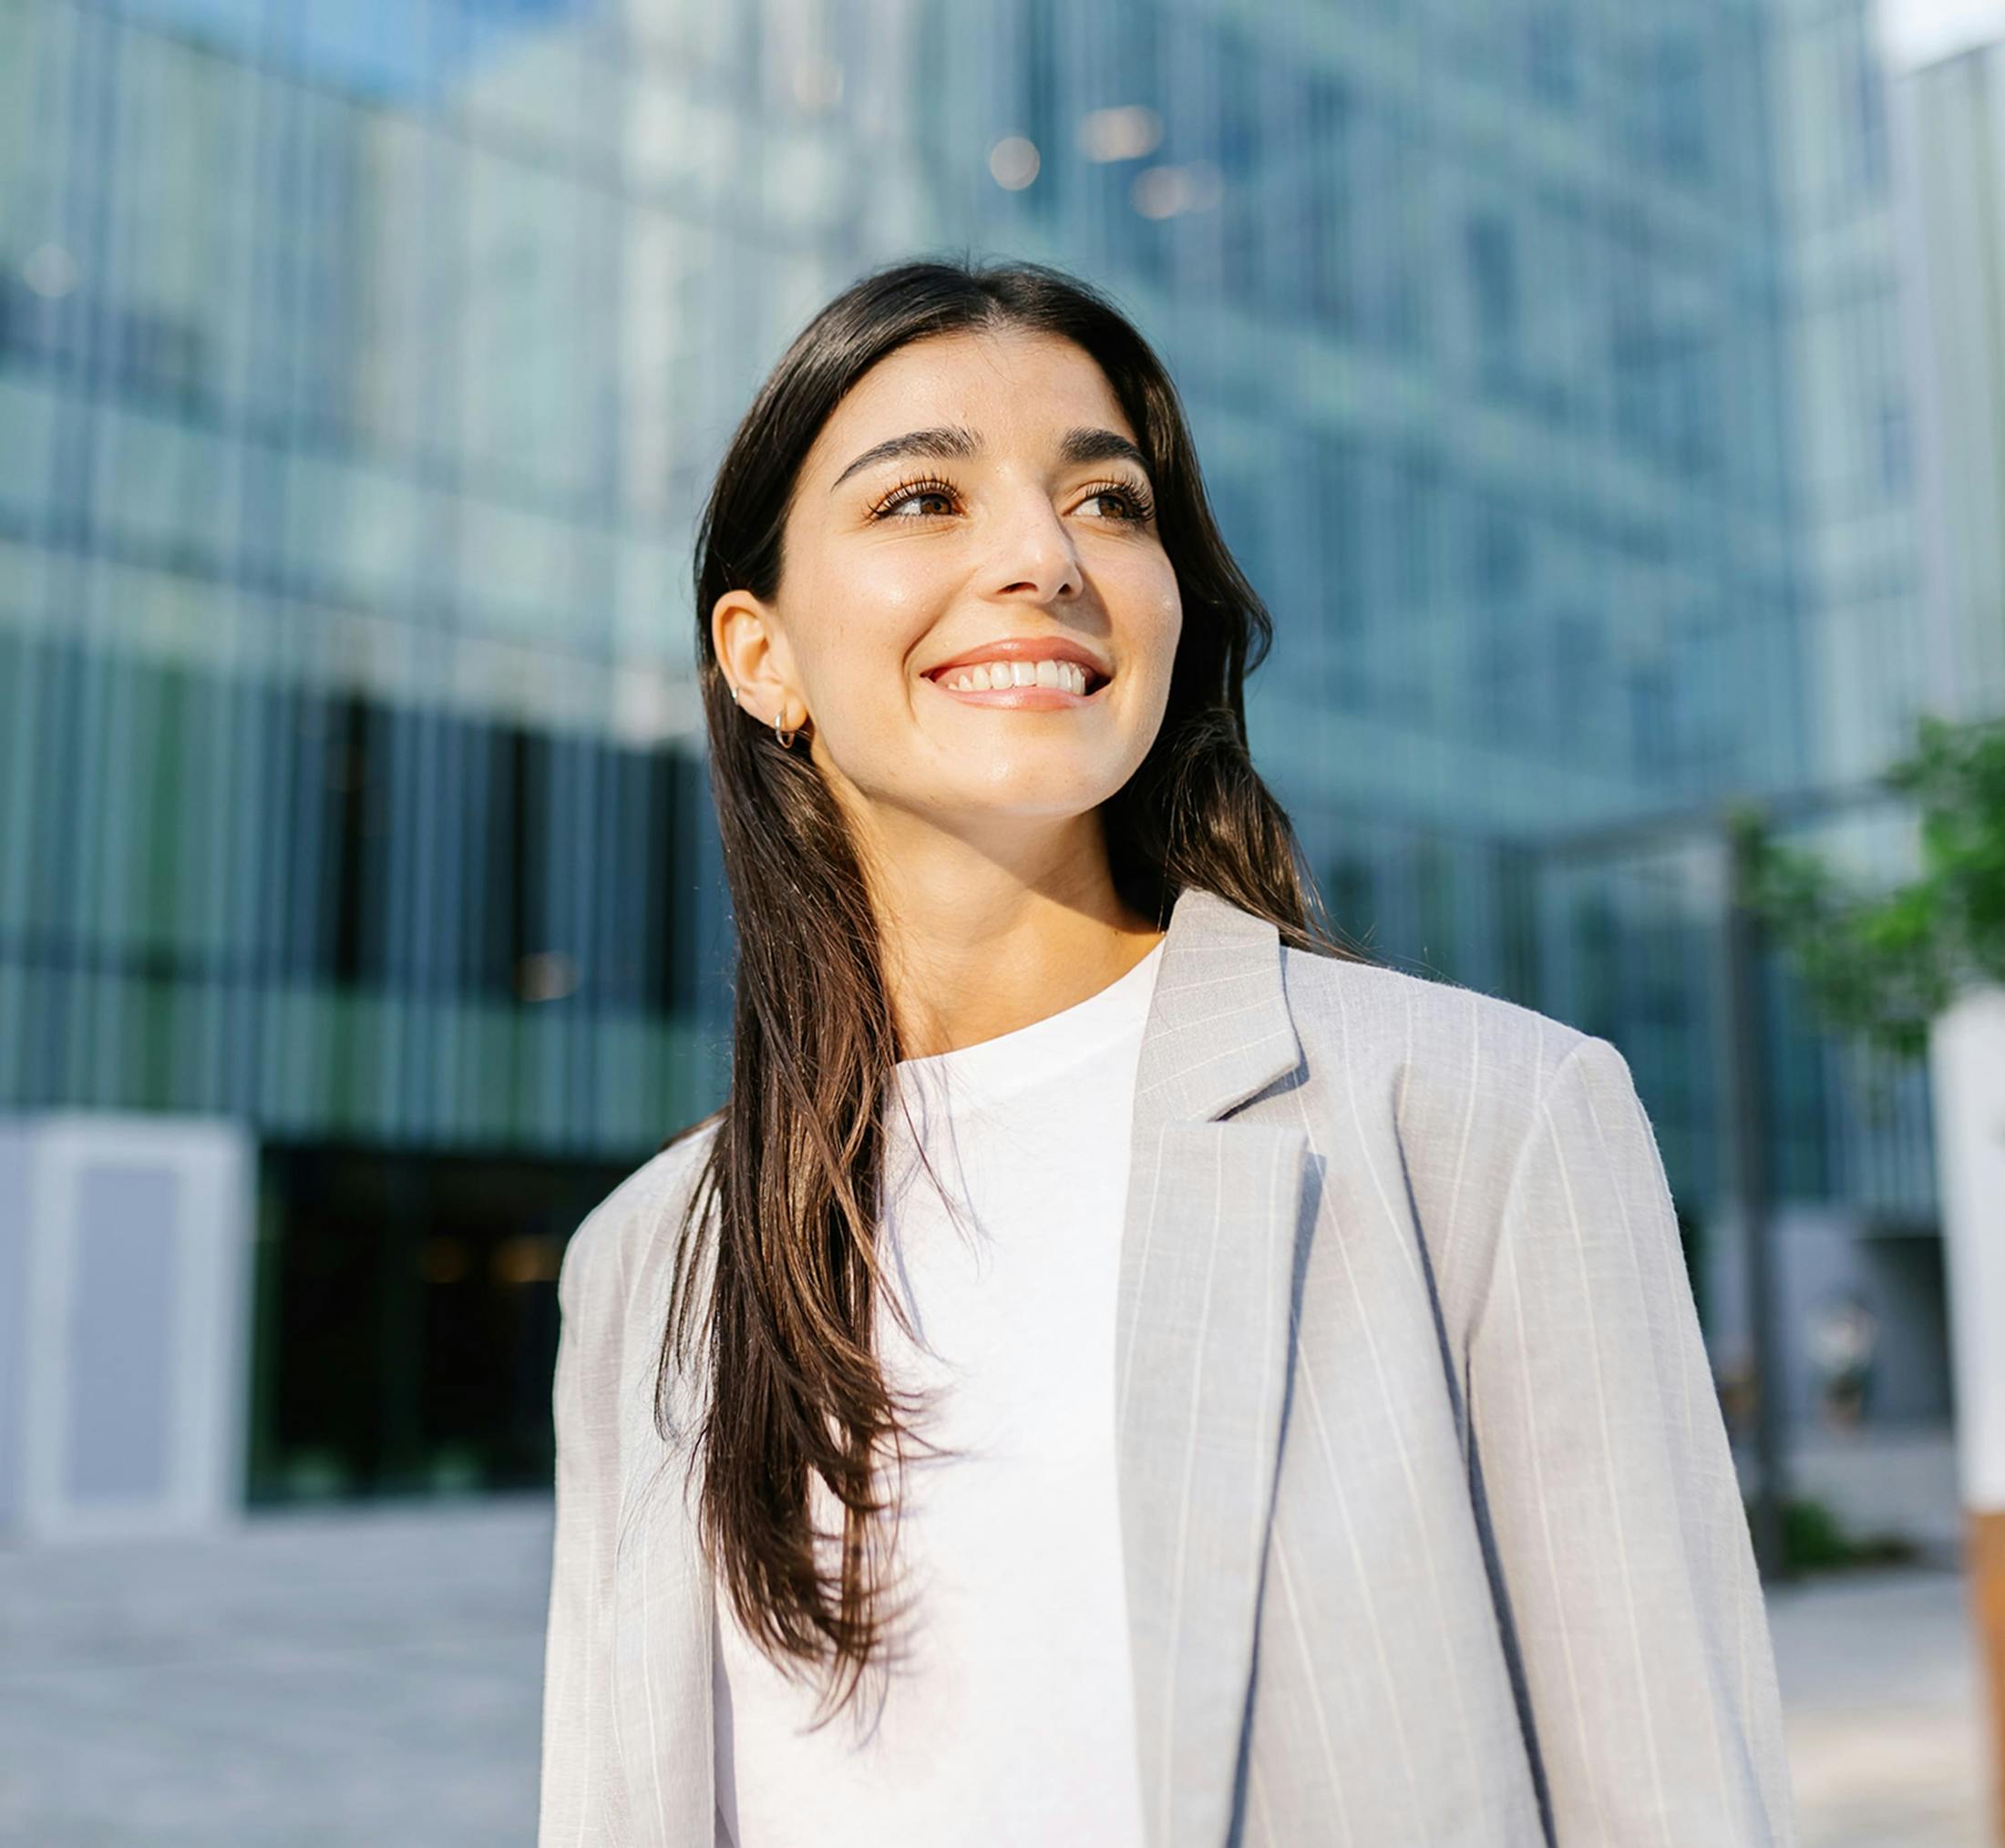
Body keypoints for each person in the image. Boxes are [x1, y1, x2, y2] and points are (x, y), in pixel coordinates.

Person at [537, 257, 1797, 1847]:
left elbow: (1675, 1794)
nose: (1043, 557)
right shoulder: (645, 1264)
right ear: (759, 653)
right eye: (924, 497)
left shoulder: (1483, 1118)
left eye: (1110, 502)